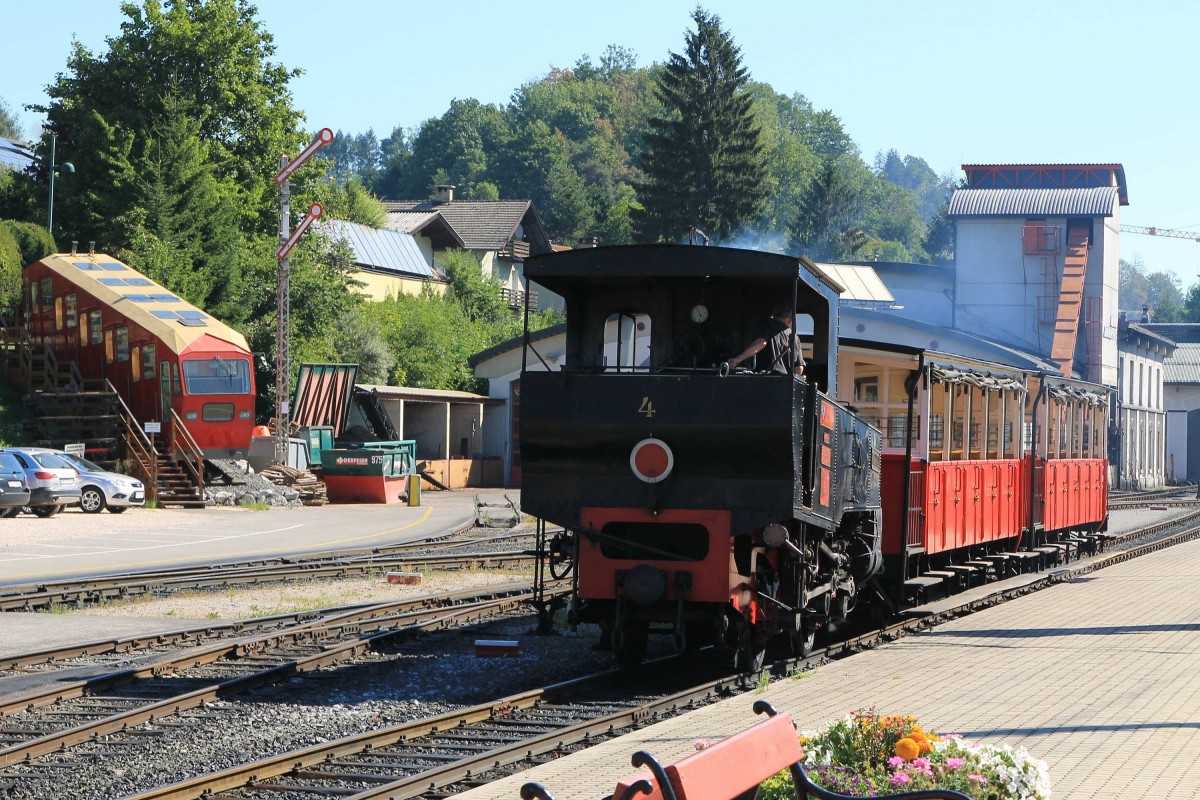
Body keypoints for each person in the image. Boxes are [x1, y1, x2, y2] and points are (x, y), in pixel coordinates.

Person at [725, 302, 804, 376]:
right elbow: (799, 368)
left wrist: (737, 360)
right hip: (786, 385)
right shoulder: (795, 338)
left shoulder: (767, 324)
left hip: (766, 381)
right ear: (790, 320)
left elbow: (761, 343)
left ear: (774, 314)